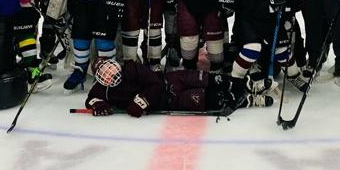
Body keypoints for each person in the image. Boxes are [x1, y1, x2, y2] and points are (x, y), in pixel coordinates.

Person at [229, 0, 305, 106]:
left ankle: (294, 76)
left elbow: (296, 6)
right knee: (252, 49)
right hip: (253, 23)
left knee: (282, 51)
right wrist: (270, 3)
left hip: (275, 22)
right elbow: (248, 8)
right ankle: (235, 79)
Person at [84, 58, 236, 117]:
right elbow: (91, 99)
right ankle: (250, 99)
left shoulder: (131, 68)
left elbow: (155, 84)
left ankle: (244, 84)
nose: (110, 74)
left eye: (110, 69)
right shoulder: (103, 89)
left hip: (172, 80)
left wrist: (142, 101)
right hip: (170, 101)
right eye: (105, 74)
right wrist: (97, 104)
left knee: (216, 80)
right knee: (217, 99)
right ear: (101, 79)